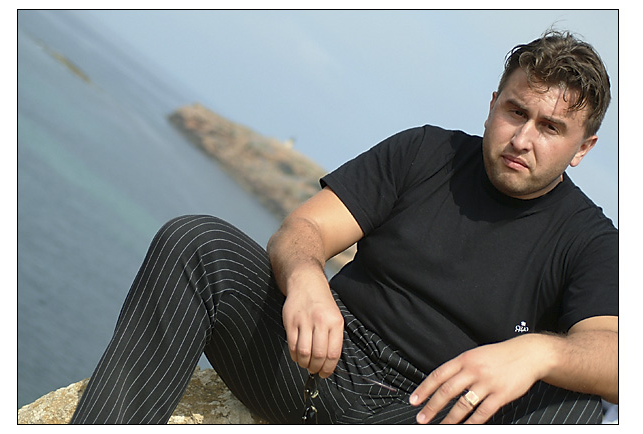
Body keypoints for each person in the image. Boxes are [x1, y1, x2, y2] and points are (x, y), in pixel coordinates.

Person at [71, 29, 617, 425]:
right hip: (316, 363)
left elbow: (616, 359)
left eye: (551, 128)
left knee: (574, 408)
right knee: (196, 242)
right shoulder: (426, 152)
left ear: (582, 149)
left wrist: (538, 352)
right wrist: (306, 276)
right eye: (516, 112)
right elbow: (304, 228)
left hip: (427, 411)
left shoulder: (590, 239)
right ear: (492, 105)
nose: (522, 139)